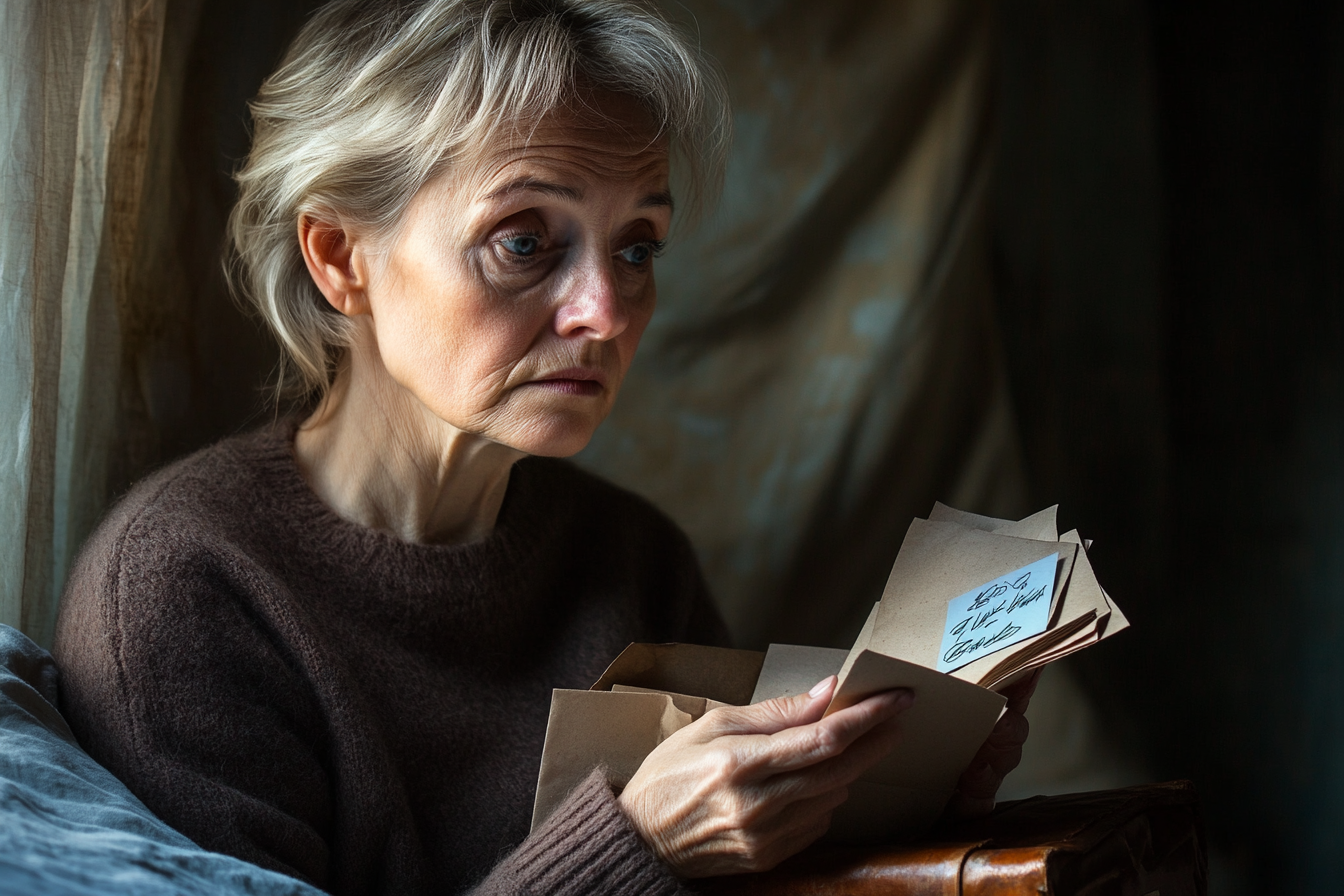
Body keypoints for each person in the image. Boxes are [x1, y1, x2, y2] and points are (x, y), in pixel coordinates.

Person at [52, 1, 1035, 894]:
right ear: (341, 256)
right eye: (523, 241)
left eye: (638, 245)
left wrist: (883, 809)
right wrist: (633, 846)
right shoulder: (183, 591)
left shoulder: (632, 558)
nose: (605, 311)